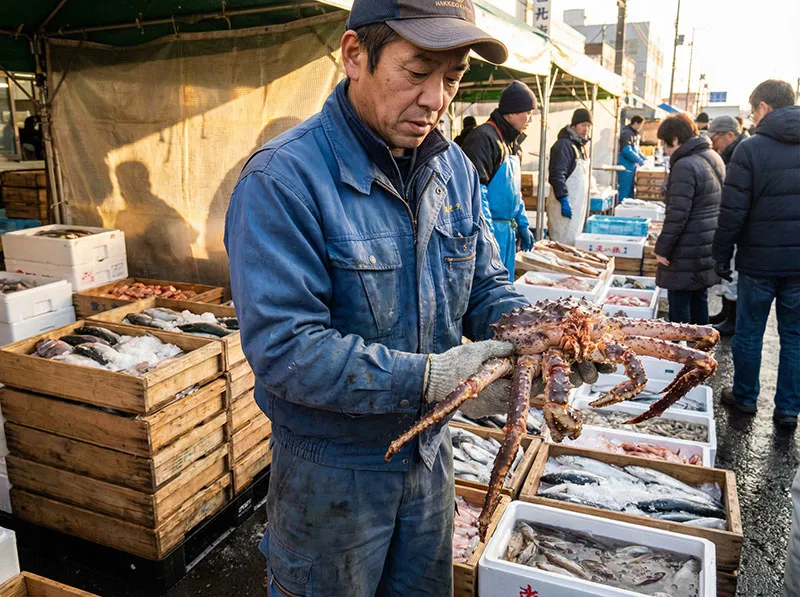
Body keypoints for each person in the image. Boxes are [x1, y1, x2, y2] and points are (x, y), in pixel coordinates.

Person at [224, 2, 603, 594]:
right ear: (355, 56)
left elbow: (485, 282)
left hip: (431, 464)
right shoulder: (283, 179)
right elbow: (285, 348)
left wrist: (538, 332)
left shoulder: (451, 167)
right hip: (331, 473)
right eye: (417, 72)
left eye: (451, 78)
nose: (437, 99)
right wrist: (432, 379)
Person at [712, 79, 800, 427]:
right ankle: (789, 410)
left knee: (750, 331)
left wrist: (720, 254)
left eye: (753, 111)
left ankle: (745, 397)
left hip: (758, 262)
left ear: (763, 107)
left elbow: (732, 211)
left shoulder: (751, 149)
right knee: (794, 336)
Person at [654, 113, 724, 325]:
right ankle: (702, 350)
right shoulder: (713, 156)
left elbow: (677, 214)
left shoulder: (685, 165)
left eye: (666, 145)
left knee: (680, 304)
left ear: (675, 139)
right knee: (698, 298)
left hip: (687, 246)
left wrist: (662, 249)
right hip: (707, 241)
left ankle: (681, 353)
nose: (666, 150)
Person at [461, 81, 536, 278]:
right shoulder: (484, 138)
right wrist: (488, 236)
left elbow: (515, 191)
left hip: (507, 233)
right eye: (527, 112)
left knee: (505, 288)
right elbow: (477, 191)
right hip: (490, 232)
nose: (531, 119)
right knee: (489, 293)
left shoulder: (510, 143)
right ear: (511, 113)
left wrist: (522, 223)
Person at [706, 115, 750, 336]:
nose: (713, 143)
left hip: (743, 230)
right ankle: (726, 314)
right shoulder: (734, 152)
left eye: (715, 137)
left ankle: (731, 320)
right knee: (730, 275)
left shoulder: (743, 153)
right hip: (741, 226)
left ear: (729, 135)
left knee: (734, 273)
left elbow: (737, 203)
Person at [547, 108, 592, 245]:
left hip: (577, 209)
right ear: (573, 126)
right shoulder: (564, 145)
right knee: (561, 246)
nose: (586, 129)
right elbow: (557, 174)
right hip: (564, 208)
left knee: (572, 246)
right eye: (583, 125)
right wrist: (563, 199)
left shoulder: (579, 147)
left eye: (589, 126)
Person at [618, 115, 647, 200]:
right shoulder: (626, 133)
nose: (640, 128)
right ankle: (622, 210)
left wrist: (643, 157)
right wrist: (639, 160)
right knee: (624, 191)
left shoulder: (633, 133)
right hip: (625, 167)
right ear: (635, 123)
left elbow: (636, 149)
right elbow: (626, 150)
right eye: (640, 125)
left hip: (631, 167)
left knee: (630, 191)